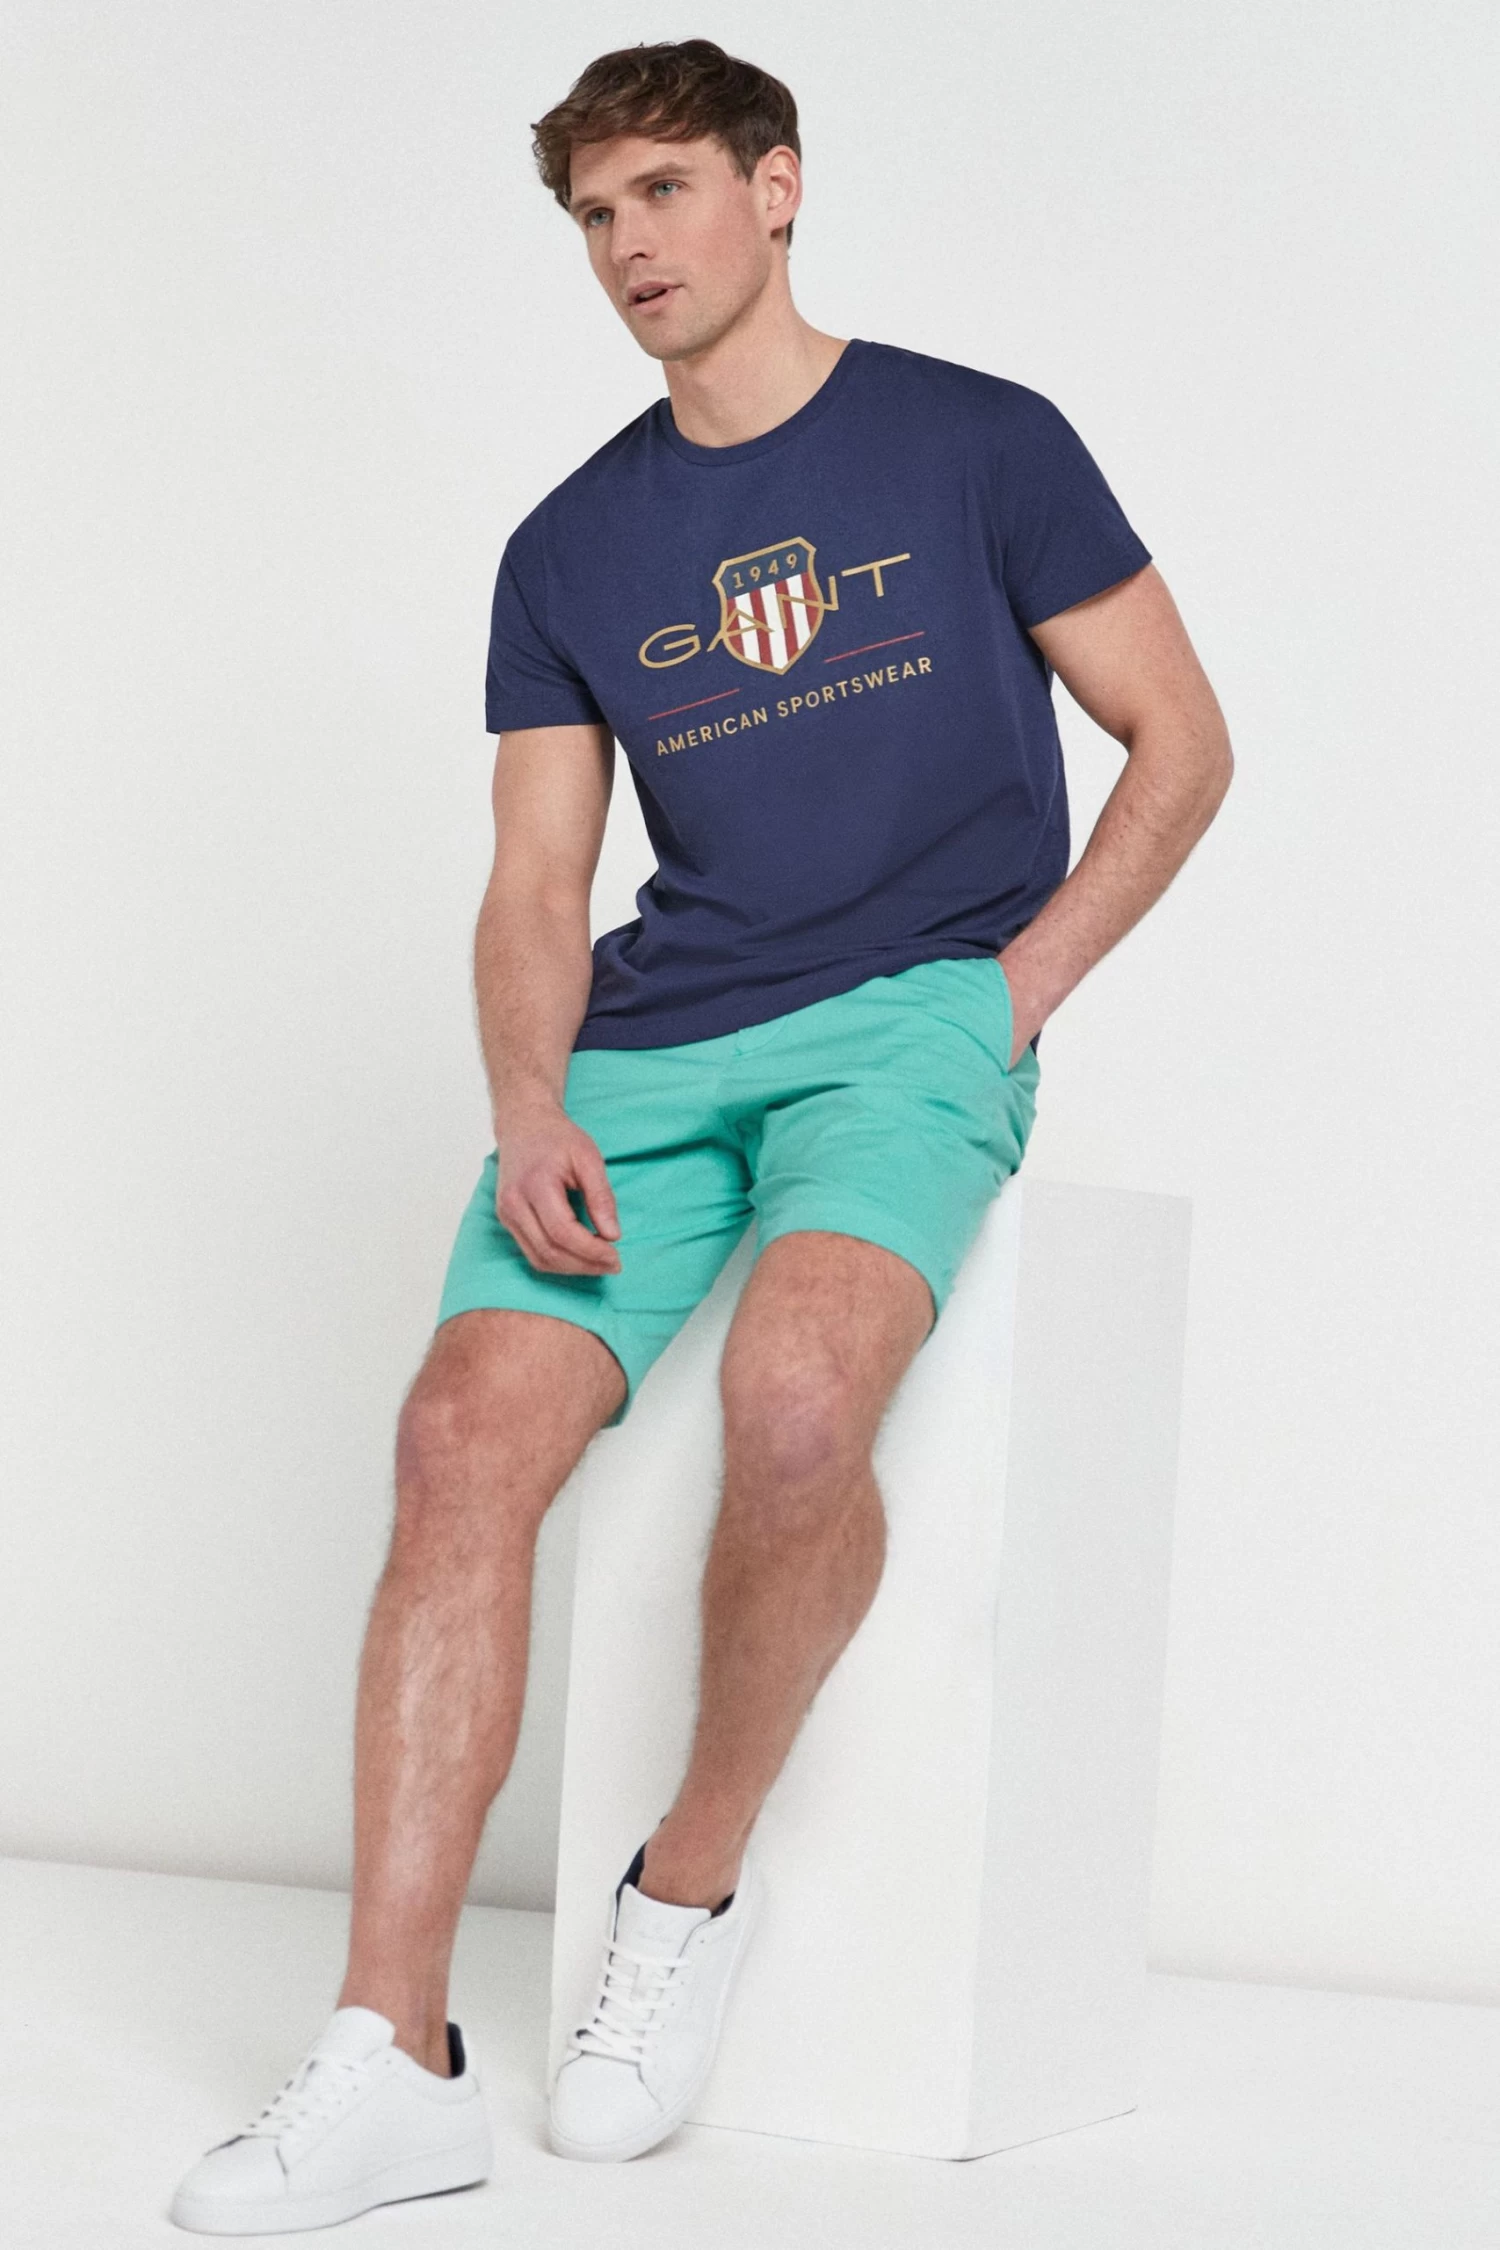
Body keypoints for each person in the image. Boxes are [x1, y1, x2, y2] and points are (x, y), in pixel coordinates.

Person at [169, 34, 1232, 2235]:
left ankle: (688, 1887)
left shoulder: (978, 439)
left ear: (778, 187)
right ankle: (392, 2055)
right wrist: (526, 1097)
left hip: (911, 1015)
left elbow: (1181, 738)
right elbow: (536, 881)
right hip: (653, 1049)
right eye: (593, 214)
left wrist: (1011, 992)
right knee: (458, 1435)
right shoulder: (571, 546)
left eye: (663, 190)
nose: (628, 244)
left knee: (800, 1401)